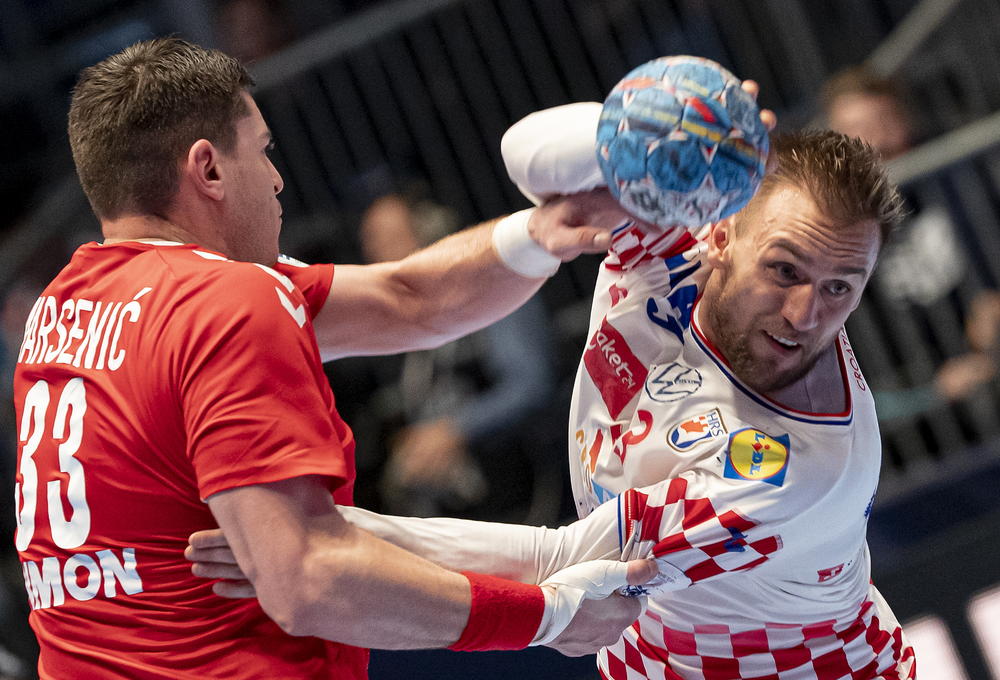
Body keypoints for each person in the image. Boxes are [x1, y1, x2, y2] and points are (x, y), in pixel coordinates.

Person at [193, 99, 919, 679]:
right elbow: (528, 156)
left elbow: (559, 568)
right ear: (719, 234)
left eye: (841, 288)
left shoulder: (790, 470)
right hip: (648, 657)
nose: (805, 315)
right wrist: (659, 122)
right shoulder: (668, 245)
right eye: (785, 271)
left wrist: (322, 537)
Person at [10, 38, 660, 679]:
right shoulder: (226, 298)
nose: (276, 179)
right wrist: (545, 618)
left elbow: (408, 300)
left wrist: (541, 232)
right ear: (208, 170)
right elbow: (310, 577)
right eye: (262, 150)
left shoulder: (60, 309)